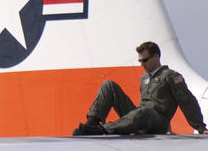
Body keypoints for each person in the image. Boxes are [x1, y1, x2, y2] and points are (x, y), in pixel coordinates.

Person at [73, 41, 206, 136]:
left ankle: (101, 130)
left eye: (145, 60)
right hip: (141, 117)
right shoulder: (144, 78)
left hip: (158, 121)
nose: (142, 64)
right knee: (108, 85)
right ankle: (92, 123)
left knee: (143, 112)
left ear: (156, 57)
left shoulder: (171, 76)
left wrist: (200, 127)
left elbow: (187, 101)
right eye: (140, 61)